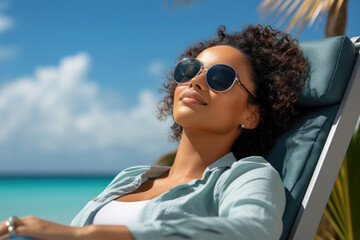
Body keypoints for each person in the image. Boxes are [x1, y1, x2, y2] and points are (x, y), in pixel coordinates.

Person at [0, 24, 308, 240]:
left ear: (250, 115)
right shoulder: (133, 176)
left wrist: (93, 235)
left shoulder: (245, 176)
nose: (195, 83)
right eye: (190, 71)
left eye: (220, 77)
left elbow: (253, 232)